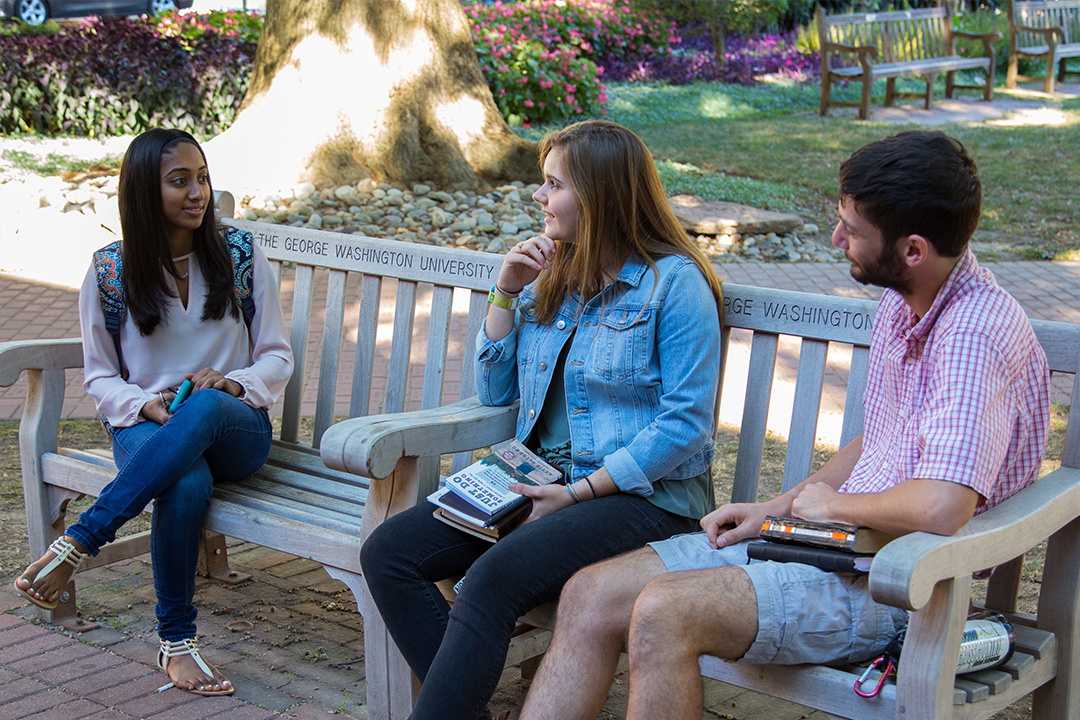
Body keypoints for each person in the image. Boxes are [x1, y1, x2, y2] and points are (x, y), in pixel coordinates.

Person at [517, 130, 1052, 720]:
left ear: (914, 249)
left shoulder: (973, 334)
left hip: (901, 586)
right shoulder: (908, 301)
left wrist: (836, 507)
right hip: (826, 549)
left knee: (663, 612)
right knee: (589, 594)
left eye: (853, 228)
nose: (837, 237)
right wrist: (776, 509)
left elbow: (942, 507)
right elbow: (881, 439)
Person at [359, 119, 725, 720]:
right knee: (389, 553)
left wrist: (579, 493)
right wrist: (505, 293)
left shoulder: (673, 285)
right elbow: (493, 387)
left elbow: (685, 425)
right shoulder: (556, 275)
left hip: (642, 495)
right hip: (536, 477)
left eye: (553, 184)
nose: (539, 196)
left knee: (489, 579)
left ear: (601, 196)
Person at [14, 128, 294, 697]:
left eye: (203, 178)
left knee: (210, 404)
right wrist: (145, 403)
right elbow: (99, 375)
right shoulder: (111, 273)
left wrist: (234, 385)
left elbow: (276, 356)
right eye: (180, 181)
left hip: (236, 426)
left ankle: (79, 542)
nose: (198, 193)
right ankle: (177, 643)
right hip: (149, 427)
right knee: (183, 482)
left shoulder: (239, 254)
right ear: (144, 190)